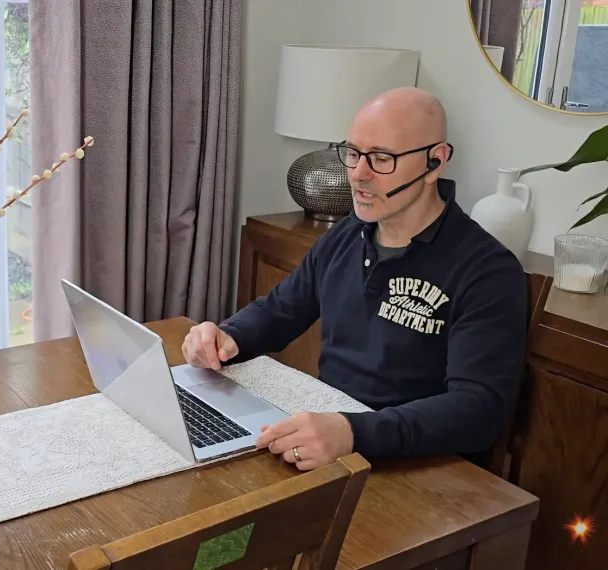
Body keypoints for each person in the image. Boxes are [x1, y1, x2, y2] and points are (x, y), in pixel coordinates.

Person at [182, 87, 528, 470]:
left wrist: (352, 433)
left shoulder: (488, 271)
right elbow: (280, 310)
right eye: (353, 153)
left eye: (381, 158)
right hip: (327, 441)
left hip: (419, 467)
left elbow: (478, 412)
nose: (359, 175)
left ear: (436, 162)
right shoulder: (347, 235)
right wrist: (228, 335)